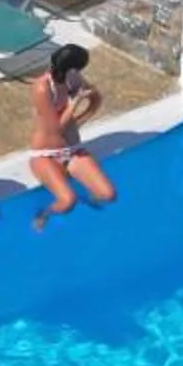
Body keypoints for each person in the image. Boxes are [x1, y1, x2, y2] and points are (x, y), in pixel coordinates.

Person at [29, 44, 116, 231]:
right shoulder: (42, 89)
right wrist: (75, 102)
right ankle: (44, 213)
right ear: (72, 67)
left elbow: (96, 98)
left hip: (72, 150)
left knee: (108, 194)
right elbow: (56, 129)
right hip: (45, 154)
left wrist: (79, 121)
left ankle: (82, 194)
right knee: (68, 201)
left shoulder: (72, 79)